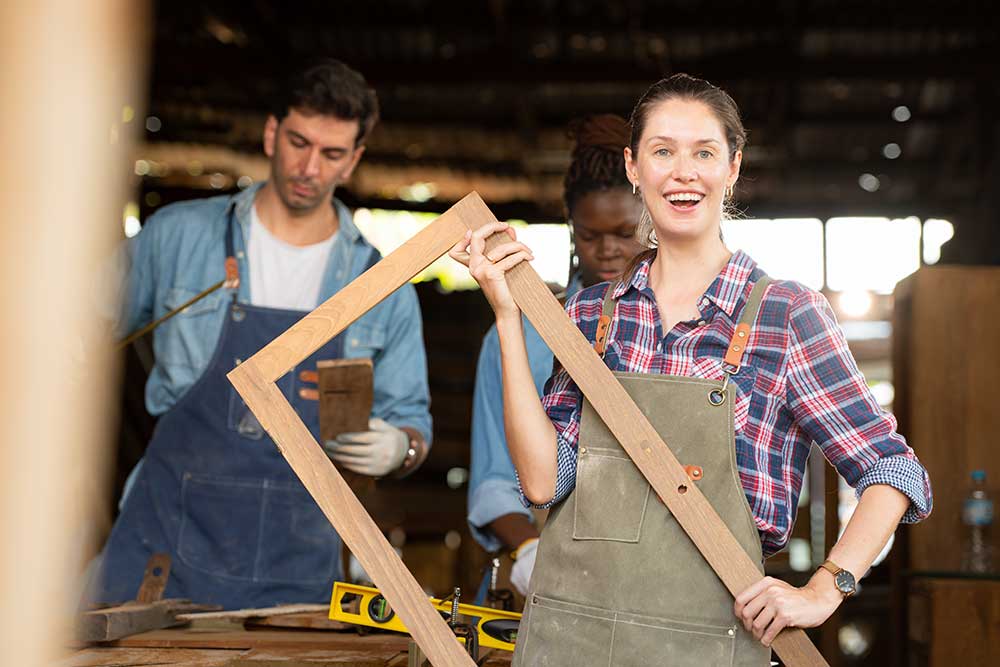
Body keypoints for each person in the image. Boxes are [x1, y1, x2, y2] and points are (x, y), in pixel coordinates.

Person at [450, 74, 932, 665]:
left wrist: (826, 586)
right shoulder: (588, 314)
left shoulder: (785, 314)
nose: (684, 172)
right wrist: (506, 315)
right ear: (634, 167)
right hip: (571, 638)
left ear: (731, 168)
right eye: (663, 151)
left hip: (707, 642)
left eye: (704, 152)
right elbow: (545, 482)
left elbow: (893, 469)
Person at [92, 59, 431, 609]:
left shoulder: (381, 285)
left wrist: (400, 447)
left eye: (331, 154)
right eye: (298, 142)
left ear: (354, 161)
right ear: (272, 133)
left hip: (296, 570)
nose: (309, 167)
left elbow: (414, 420)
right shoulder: (178, 238)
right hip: (164, 549)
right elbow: (71, 334)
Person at [466, 114, 644, 599]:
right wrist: (528, 552)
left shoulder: (680, 331)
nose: (607, 250)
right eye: (590, 235)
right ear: (571, 227)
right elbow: (495, 480)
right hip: (546, 583)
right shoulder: (522, 332)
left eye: (625, 231)